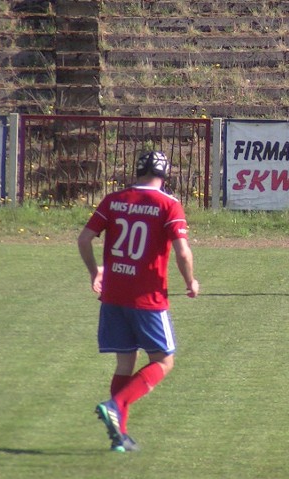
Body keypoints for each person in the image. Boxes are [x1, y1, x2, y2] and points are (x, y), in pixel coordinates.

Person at [77, 150, 199, 452]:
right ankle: (115, 406)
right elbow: (182, 252)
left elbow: (83, 238)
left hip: (114, 295)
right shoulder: (168, 204)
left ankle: (120, 437)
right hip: (147, 298)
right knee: (164, 360)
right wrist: (190, 282)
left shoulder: (114, 200)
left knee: (125, 362)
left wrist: (96, 272)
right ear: (165, 174)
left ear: (138, 171)